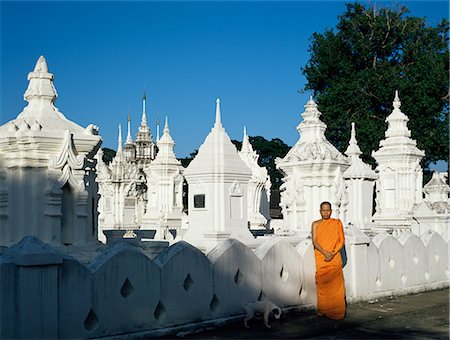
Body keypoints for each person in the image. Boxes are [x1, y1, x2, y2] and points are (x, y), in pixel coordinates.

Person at [311, 201, 346, 320]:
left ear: (331, 211)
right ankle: (323, 309)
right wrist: (325, 253)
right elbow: (315, 241)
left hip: (334, 257)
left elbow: (341, 241)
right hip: (321, 256)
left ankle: (337, 312)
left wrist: (333, 252)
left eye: (328, 210)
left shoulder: (336, 223)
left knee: (336, 285)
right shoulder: (315, 224)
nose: (326, 212)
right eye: (323, 210)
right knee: (322, 284)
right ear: (320, 211)